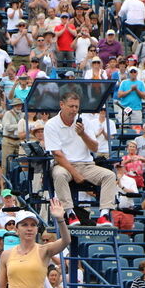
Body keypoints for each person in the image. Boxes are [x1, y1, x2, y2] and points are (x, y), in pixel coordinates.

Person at [44, 91, 116, 226]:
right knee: (59, 174)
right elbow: (57, 154)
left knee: (109, 175)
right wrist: (75, 174)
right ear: (62, 105)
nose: (74, 110)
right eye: (71, 106)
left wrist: (83, 134)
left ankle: (104, 214)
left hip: (86, 164)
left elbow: (95, 148)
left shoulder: (85, 122)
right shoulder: (51, 124)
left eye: (76, 107)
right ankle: (70, 213)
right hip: (64, 165)